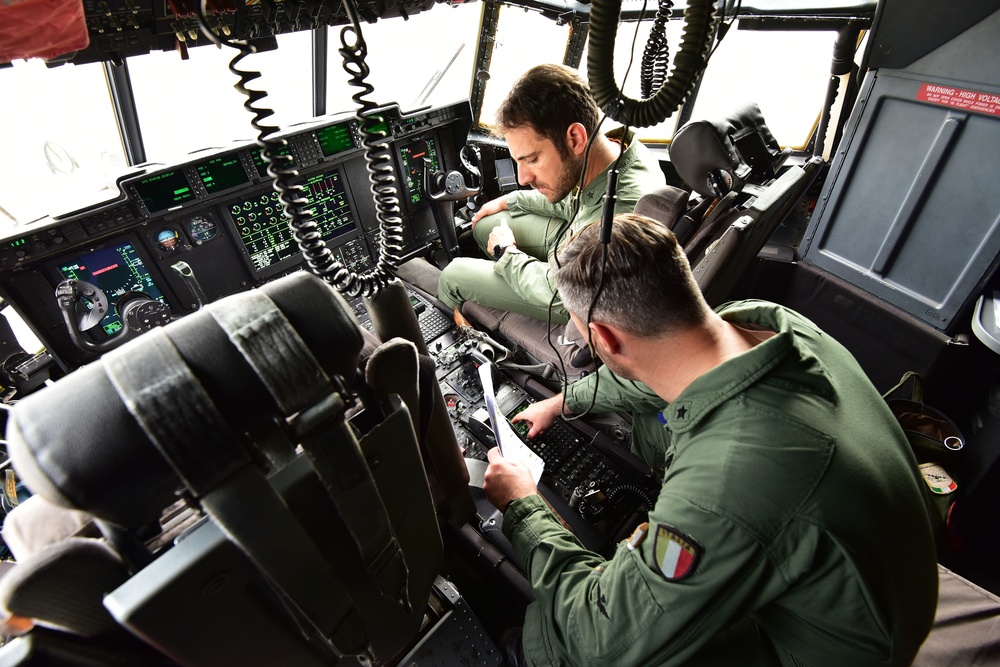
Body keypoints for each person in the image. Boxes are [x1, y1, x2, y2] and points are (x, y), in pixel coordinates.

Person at [483, 213, 939, 666]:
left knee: (567, 643)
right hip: (887, 584)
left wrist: (523, 504)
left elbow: (599, 638)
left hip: (833, 650)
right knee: (651, 423)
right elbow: (648, 381)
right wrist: (562, 401)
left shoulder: (731, 479)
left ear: (601, 337)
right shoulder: (769, 323)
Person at [436, 64, 666, 324]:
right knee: (484, 226)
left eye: (532, 159)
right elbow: (575, 203)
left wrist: (507, 255)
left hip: (571, 298)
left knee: (452, 275)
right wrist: (510, 200)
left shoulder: (619, 212)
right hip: (571, 240)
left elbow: (563, 293)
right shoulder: (613, 153)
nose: (523, 178)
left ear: (576, 138)